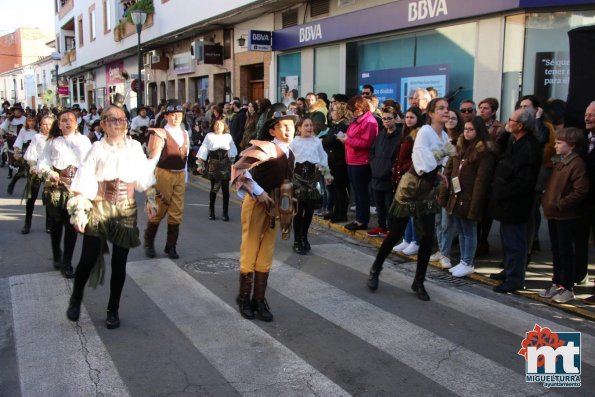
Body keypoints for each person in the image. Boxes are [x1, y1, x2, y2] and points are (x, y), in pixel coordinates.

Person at [65, 105, 158, 329]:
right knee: (88, 258)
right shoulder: (97, 148)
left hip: (126, 209)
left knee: (119, 263)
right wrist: (79, 210)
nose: (119, 124)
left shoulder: (135, 147)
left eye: (122, 120)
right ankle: (76, 296)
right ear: (104, 124)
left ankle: (113, 309)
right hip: (99, 207)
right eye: (113, 120)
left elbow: (145, 176)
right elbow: (83, 178)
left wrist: (151, 199)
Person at [366, 98, 453, 301]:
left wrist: (439, 173)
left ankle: (419, 282)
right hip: (411, 187)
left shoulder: (444, 135)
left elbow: (440, 162)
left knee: (427, 237)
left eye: (447, 109)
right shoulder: (424, 132)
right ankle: (375, 269)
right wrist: (442, 156)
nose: (446, 112)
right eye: (441, 108)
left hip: (428, 189)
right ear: (431, 113)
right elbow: (423, 162)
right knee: (396, 233)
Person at [231, 103, 297, 321]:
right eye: (283, 126)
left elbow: (285, 183)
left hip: (274, 205)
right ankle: (243, 297)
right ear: (272, 131)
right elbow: (239, 168)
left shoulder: (290, 153)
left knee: (266, 252)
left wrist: (286, 210)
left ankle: (259, 299)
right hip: (257, 204)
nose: (289, 129)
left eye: (291, 125)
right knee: (250, 248)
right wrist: (258, 192)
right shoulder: (267, 148)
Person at [489, 108, 542, 293]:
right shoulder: (513, 140)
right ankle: (509, 271)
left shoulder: (530, 147)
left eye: (511, 120)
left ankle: (515, 279)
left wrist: (503, 192)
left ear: (520, 125)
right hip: (505, 201)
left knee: (515, 243)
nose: (508, 122)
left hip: (515, 203)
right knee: (507, 240)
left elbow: (524, 181)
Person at [439, 117, 497, 277]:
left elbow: (481, 180)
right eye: (465, 129)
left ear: (479, 131)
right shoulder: (460, 147)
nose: (467, 132)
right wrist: (445, 195)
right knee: (461, 229)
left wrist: (475, 204)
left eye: (471, 130)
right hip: (457, 196)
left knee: (469, 230)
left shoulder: (483, 151)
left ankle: (468, 261)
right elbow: (449, 171)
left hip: (470, 197)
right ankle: (464, 261)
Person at [37, 109, 92, 277]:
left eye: (71, 120)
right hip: (57, 190)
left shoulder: (84, 141)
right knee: (56, 225)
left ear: (76, 123)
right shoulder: (53, 142)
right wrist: (49, 173)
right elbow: (42, 163)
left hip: (76, 191)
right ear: (59, 125)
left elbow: (91, 163)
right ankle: (57, 255)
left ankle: (67, 263)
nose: (68, 122)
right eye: (64, 120)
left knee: (72, 226)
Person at [539, 127, 588, 303]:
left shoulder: (576, 164)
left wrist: (561, 204)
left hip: (565, 215)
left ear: (572, 146)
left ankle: (567, 286)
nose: (556, 145)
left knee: (565, 251)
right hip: (554, 213)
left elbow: (581, 190)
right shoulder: (560, 160)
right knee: (557, 250)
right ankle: (557, 282)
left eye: (560, 143)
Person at [143, 99, 190, 260]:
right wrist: (149, 182)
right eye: (173, 115)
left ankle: (171, 246)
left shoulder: (185, 133)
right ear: (166, 116)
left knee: (177, 212)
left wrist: (185, 177)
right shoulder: (160, 133)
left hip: (179, 175)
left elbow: (186, 157)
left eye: (179, 115)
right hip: (163, 173)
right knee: (158, 209)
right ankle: (148, 243)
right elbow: (153, 159)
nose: (176, 118)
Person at [289, 116, 332, 254]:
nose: (309, 128)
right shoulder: (293, 142)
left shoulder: (316, 142)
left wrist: (327, 175)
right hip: (297, 178)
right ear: (299, 128)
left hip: (313, 179)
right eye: (306, 125)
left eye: (310, 125)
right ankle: (296, 240)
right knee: (298, 211)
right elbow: (287, 160)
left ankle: (304, 237)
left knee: (309, 211)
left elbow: (323, 158)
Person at [431, 109, 464, 268]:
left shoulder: (461, 139)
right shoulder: (438, 136)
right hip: (436, 179)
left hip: (451, 182)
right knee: (437, 220)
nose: (449, 120)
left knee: (447, 222)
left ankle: (445, 254)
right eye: (447, 117)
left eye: (453, 117)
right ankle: (440, 249)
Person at [339, 96, 378, 231]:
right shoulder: (356, 121)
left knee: (361, 192)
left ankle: (362, 220)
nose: (351, 113)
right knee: (358, 191)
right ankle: (359, 218)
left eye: (353, 110)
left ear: (360, 108)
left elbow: (366, 143)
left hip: (361, 161)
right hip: (352, 159)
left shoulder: (369, 122)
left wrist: (347, 140)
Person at [392, 107, 424, 256]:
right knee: (404, 209)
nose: (409, 120)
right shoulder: (404, 133)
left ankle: (415, 241)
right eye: (407, 117)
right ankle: (406, 238)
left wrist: (404, 168)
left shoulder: (419, 134)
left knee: (412, 211)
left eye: (412, 117)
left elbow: (415, 157)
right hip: (402, 176)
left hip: (412, 176)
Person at [367, 106, 402, 237]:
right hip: (377, 174)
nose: (387, 121)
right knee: (379, 205)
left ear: (395, 119)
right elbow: (373, 151)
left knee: (389, 205)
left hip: (389, 177)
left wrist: (392, 169)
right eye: (384, 119)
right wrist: (373, 164)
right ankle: (381, 226)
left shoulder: (400, 135)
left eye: (389, 119)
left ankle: (391, 229)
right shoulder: (381, 134)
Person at [197, 119, 237, 221]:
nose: (218, 126)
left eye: (220, 125)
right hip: (213, 164)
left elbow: (232, 150)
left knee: (225, 189)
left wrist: (233, 163)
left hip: (225, 164)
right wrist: (200, 164)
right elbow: (204, 148)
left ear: (224, 127)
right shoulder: (209, 135)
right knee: (214, 189)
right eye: (216, 124)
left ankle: (225, 213)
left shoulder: (228, 136)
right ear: (213, 126)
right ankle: (211, 212)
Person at [21, 115, 53, 234]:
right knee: (31, 198)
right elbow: (31, 152)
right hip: (36, 170)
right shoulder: (37, 137)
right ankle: (27, 223)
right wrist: (32, 165)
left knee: (49, 198)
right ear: (40, 125)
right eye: (44, 124)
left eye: (49, 124)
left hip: (50, 171)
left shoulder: (55, 138)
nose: (47, 127)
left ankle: (49, 224)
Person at [322, 100, 350, 223]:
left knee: (340, 188)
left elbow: (335, 140)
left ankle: (341, 214)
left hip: (339, 162)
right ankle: (335, 211)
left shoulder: (343, 126)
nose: (331, 112)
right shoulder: (335, 125)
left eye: (333, 110)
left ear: (340, 112)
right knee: (333, 188)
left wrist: (324, 141)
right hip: (331, 162)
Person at [580, 102, 595, 304]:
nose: (588, 117)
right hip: (586, 201)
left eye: (592, 114)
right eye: (586, 113)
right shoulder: (586, 140)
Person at [8, 115, 38, 195]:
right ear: (27, 122)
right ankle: (12, 184)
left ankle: (29, 191)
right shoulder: (23, 130)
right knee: (21, 172)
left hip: (35, 155)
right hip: (25, 153)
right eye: (30, 121)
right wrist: (17, 152)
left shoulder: (37, 131)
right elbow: (19, 140)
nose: (32, 123)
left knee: (32, 173)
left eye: (33, 121)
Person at [1, 103, 26, 179]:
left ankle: (21, 172)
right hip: (12, 140)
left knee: (22, 157)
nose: (18, 111)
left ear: (21, 111)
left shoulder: (25, 119)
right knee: (11, 157)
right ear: (14, 111)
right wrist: (3, 136)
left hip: (22, 140)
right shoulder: (9, 119)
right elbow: (2, 129)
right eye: (16, 110)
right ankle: (10, 173)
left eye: (19, 110)